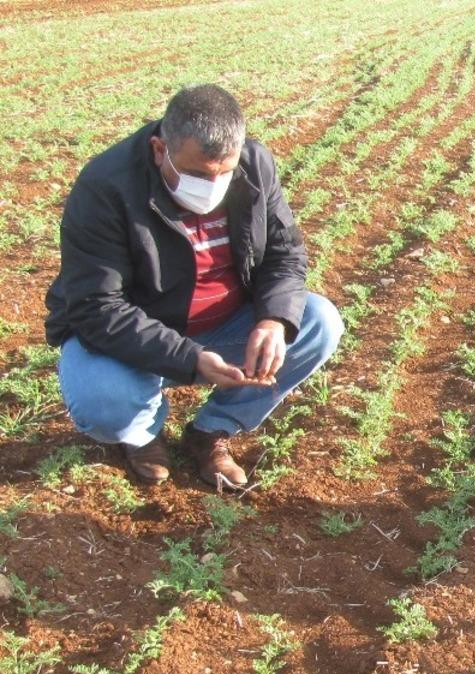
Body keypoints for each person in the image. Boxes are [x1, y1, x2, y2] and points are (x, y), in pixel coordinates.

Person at [45, 84, 343, 489]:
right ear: (159, 149)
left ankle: (212, 430)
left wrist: (273, 321)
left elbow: (284, 254)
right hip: (134, 339)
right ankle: (142, 433)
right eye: (199, 174)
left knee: (317, 322)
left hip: (223, 325)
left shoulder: (255, 165)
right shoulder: (106, 186)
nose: (213, 185)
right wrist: (190, 358)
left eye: (225, 172)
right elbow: (98, 306)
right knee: (103, 400)